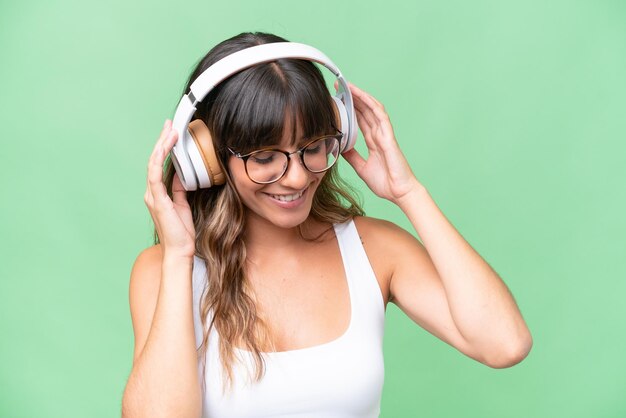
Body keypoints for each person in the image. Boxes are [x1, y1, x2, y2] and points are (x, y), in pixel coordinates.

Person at [121, 32, 532, 418]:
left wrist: (409, 194)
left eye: (313, 148)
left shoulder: (375, 250)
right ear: (206, 159)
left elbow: (504, 344)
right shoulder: (164, 270)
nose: (298, 177)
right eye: (265, 157)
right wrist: (179, 257)